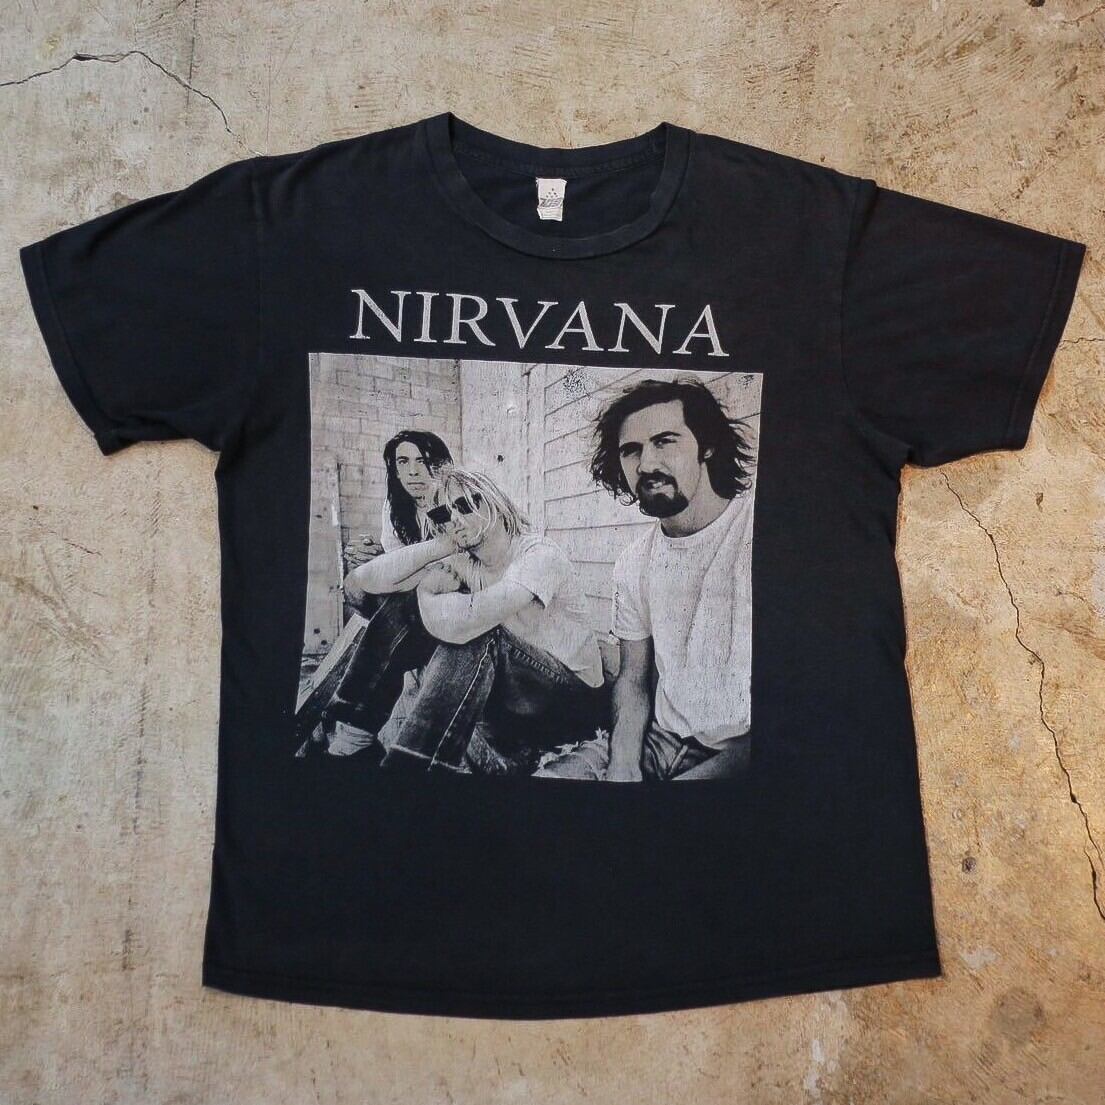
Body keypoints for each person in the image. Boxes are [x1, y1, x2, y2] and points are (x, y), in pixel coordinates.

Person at [533, 377, 756, 783]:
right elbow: (633, 679)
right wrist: (622, 762)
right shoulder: (634, 562)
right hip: (659, 740)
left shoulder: (758, 534)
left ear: (706, 445)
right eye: (631, 450)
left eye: (665, 441)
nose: (646, 464)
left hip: (744, 754)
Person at [324, 467, 608, 774]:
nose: (456, 518)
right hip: (517, 698)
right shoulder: (465, 559)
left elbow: (466, 624)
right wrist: (442, 545)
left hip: (571, 705)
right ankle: (354, 735)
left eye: (465, 504)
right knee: (401, 606)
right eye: (443, 513)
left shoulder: (538, 554)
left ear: (494, 501)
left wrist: (426, 594)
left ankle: (410, 765)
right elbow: (364, 581)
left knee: (477, 635)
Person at [343, 429, 454, 569]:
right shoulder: (393, 505)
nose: (413, 472)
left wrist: (387, 560)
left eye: (422, 461)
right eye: (403, 462)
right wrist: (371, 554)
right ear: (396, 471)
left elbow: (449, 562)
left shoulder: (455, 501)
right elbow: (395, 556)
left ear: (441, 467)